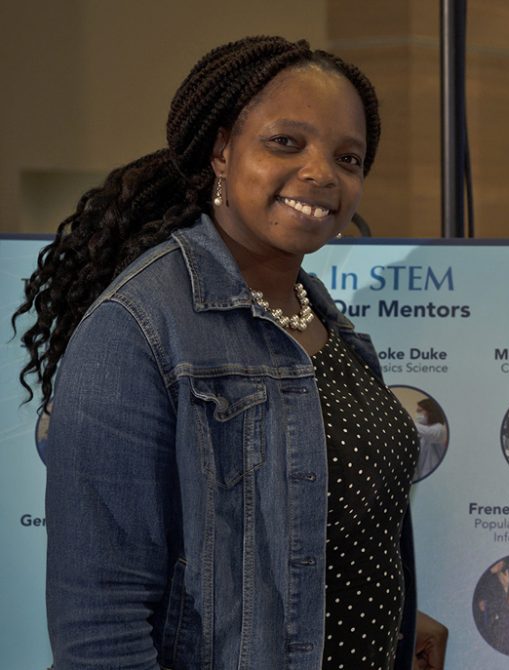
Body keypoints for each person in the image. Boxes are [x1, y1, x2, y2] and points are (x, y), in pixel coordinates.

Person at [15, 36, 443, 670]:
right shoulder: (137, 327)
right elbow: (99, 628)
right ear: (221, 150)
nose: (322, 173)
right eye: (286, 142)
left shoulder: (323, 317)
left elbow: (311, 545)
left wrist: (396, 620)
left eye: (347, 157)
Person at [413, 397, 449, 481]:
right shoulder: (422, 431)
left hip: (435, 476)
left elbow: (430, 433)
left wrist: (407, 420)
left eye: (420, 411)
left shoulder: (440, 429)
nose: (417, 414)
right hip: (421, 476)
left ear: (430, 412)